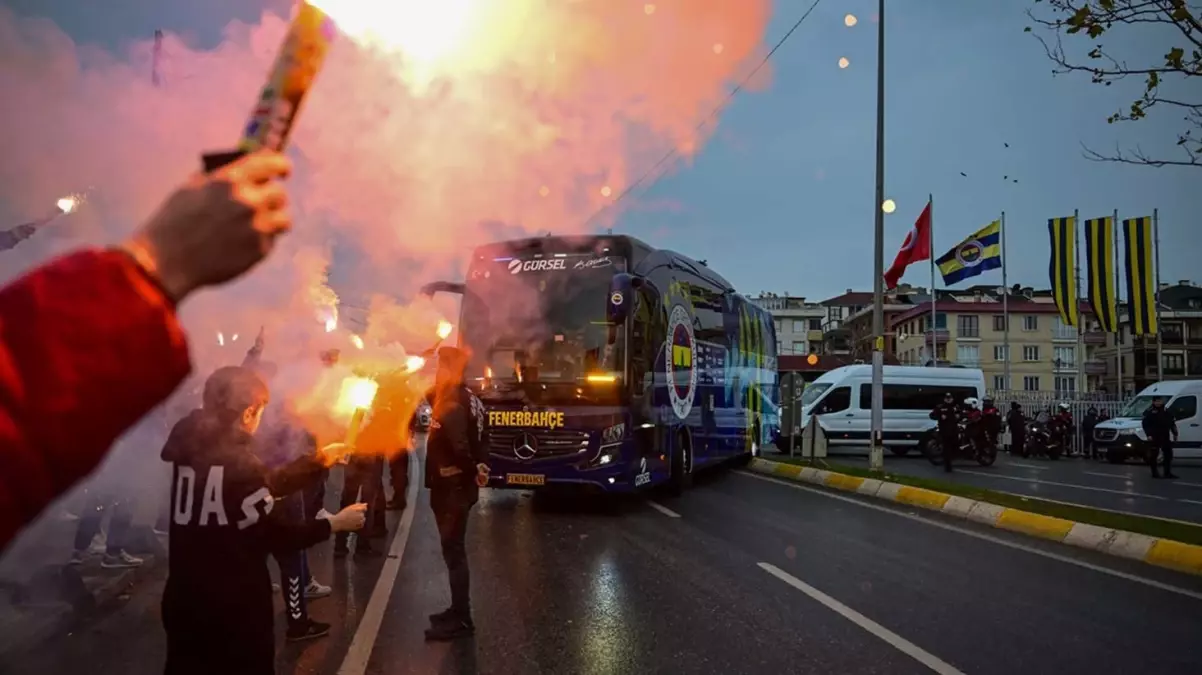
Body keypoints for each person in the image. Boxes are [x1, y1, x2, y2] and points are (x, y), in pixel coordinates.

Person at [0, 150, 295, 549]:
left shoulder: (200, 438)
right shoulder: (205, 439)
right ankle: (96, 549)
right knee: (113, 500)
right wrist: (155, 265)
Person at [160, 365, 367, 674]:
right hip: (234, 609)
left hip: (184, 599)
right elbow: (279, 535)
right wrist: (334, 524)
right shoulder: (240, 463)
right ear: (247, 413)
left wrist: (320, 459)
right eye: (259, 414)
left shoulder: (193, 446)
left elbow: (262, 485)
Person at [424, 347, 489, 641]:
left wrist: (469, 468)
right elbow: (484, 439)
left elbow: (461, 445)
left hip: (452, 489)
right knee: (454, 552)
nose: (437, 371)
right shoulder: (469, 397)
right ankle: (457, 609)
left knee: (454, 553)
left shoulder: (452, 400)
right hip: (458, 487)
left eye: (440, 366)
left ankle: (462, 619)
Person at [1142, 396, 1179, 479]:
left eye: (1160, 401)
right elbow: (1145, 425)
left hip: (1165, 435)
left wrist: (1175, 433)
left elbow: (1172, 423)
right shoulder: (1150, 412)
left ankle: (1167, 472)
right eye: (1156, 401)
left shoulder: (1166, 411)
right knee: (1154, 455)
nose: (1158, 403)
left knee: (1168, 454)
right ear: (1153, 402)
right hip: (1154, 436)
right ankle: (1154, 473)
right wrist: (1148, 435)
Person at [929, 392, 962, 473]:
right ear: (944, 399)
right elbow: (932, 415)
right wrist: (940, 417)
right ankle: (948, 466)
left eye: (950, 398)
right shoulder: (940, 407)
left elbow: (961, 414)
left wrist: (959, 416)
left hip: (954, 431)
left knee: (956, 445)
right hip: (944, 431)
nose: (948, 400)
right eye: (947, 398)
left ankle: (953, 458)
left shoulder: (955, 407)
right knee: (946, 448)